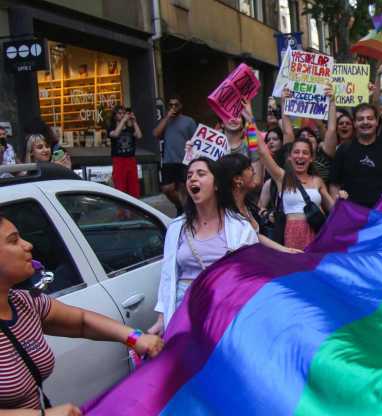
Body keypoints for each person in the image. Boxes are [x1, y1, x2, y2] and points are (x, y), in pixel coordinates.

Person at [0, 213, 163, 413]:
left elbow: (81, 322)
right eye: (14, 241)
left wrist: (134, 337)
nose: (27, 245)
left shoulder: (25, 302)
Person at [149, 157, 258, 334]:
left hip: (223, 310)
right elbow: (167, 275)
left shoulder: (240, 227)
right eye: (190, 175)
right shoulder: (177, 227)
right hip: (183, 310)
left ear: (216, 185)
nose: (193, 178)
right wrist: (162, 319)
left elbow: (251, 276)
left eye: (201, 174)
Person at [257, 134, 335, 250]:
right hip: (292, 233)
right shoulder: (282, 177)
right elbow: (262, 153)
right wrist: (250, 124)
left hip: (317, 232)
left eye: (305, 153)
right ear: (289, 156)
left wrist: (342, 201)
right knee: (294, 266)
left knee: (314, 267)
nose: (300, 156)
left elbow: (333, 208)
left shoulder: (317, 181)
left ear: (311, 158)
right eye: (296, 152)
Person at [329, 103, 382, 208]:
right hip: (352, 214)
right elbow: (334, 184)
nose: (365, 122)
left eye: (369, 118)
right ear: (355, 123)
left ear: (377, 122)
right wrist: (337, 200)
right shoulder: (344, 149)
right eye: (360, 119)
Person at [217, 153, 301, 254]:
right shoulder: (223, 215)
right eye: (249, 169)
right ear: (237, 179)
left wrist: (286, 250)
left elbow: (255, 236)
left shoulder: (248, 207)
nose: (254, 172)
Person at [153, 96, 197, 216]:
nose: (173, 107)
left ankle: (186, 213)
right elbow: (156, 134)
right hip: (169, 160)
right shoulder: (165, 121)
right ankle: (181, 206)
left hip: (184, 160)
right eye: (170, 105)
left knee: (184, 189)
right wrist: (167, 117)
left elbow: (196, 141)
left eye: (175, 105)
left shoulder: (189, 121)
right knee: (167, 189)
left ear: (180, 106)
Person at [108, 106, 143, 198]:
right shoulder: (111, 127)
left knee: (134, 187)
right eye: (120, 113)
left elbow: (139, 135)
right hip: (119, 160)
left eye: (123, 113)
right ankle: (121, 211)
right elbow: (115, 134)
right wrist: (123, 121)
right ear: (115, 115)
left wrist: (134, 121)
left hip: (131, 159)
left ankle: (134, 210)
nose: (122, 115)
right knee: (120, 187)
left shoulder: (129, 128)